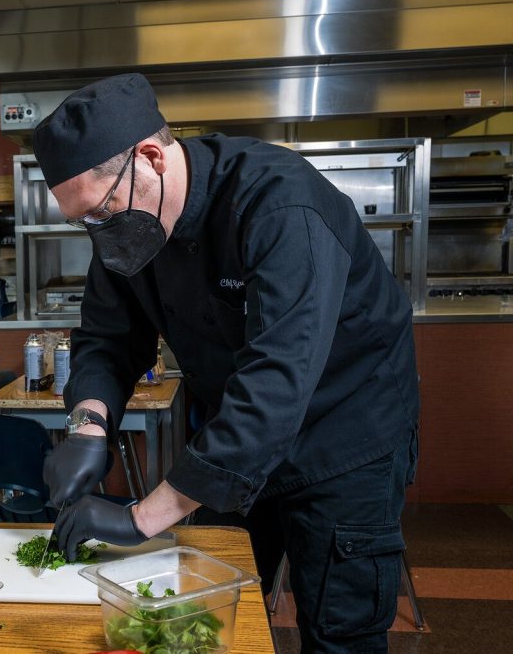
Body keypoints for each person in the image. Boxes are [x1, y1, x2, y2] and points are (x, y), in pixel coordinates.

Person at [34, 73, 419, 653]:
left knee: (340, 632)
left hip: (345, 441)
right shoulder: (130, 229)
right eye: (81, 221)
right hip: (231, 438)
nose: (97, 233)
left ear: (151, 158)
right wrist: (88, 427)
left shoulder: (279, 203)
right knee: (204, 618)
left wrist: (141, 518)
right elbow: (107, 338)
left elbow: (276, 382)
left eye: (103, 210)